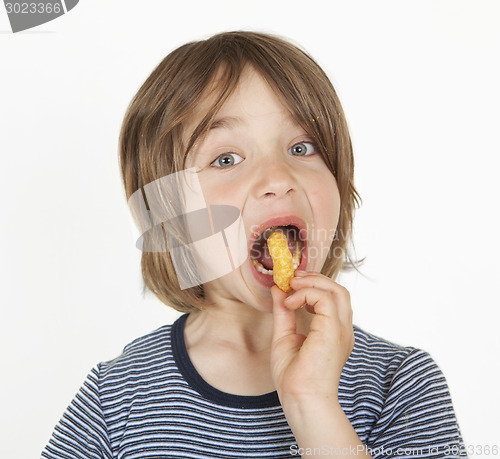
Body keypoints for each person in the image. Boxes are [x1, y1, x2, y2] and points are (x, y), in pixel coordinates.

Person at [41, 31, 466, 458]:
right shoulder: (116, 397)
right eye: (226, 159)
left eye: (302, 147)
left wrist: (312, 404)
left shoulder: (399, 384)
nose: (278, 178)